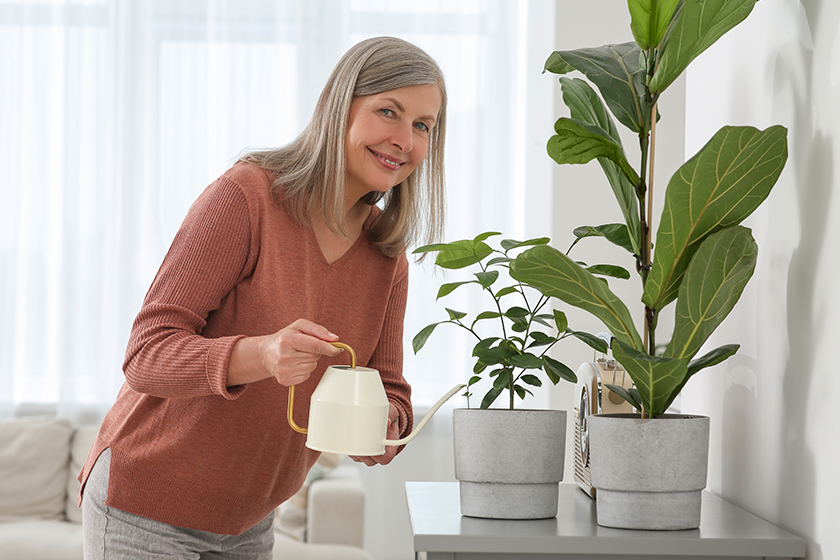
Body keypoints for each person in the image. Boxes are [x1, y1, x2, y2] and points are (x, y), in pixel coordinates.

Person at [78, 36, 447, 559]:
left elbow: (388, 384)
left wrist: (388, 421)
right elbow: (146, 354)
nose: (405, 140)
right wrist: (264, 354)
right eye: (389, 111)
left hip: (250, 520)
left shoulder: (386, 254)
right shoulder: (247, 197)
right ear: (339, 107)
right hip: (146, 507)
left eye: (424, 126)